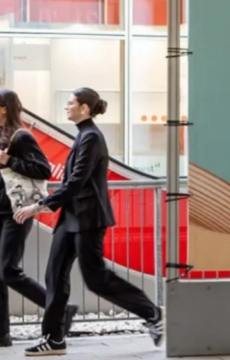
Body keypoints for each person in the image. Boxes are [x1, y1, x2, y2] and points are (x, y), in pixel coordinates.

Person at [15, 88, 163, 356]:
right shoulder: (84, 135)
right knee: (54, 275)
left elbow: (76, 182)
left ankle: (152, 313)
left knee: (96, 278)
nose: (66, 107)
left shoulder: (91, 137)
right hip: (71, 217)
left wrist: (37, 206)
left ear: (84, 108)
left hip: (88, 219)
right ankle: (54, 339)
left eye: (71, 103)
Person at [0, 90, 77, 348]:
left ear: (4, 108)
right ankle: (0, 333)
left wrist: (9, 160)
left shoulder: (22, 136)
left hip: (17, 212)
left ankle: (61, 310)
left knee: (8, 270)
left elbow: (43, 169)